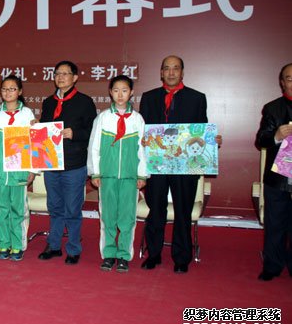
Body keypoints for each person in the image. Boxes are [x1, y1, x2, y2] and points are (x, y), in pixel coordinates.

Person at [139, 55, 220, 274]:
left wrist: (211, 140)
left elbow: (201, 129)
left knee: (183, 211)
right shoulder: (149, 97)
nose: (171, 72)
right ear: (161, 72)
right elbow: (143, 130)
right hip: (157, 165)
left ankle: (182, 257)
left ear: (182, 72)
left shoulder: (197, 98)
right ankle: (153, 254)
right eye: (167, 68)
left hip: (185, 167)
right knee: (156, 210)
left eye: (176, 68)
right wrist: (143, 140)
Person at [38, 61, 97, 265]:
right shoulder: (48, 102)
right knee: (54, 207)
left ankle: (73, 248)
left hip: (74, 164)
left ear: (75, 77)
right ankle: (54, 246)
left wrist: (75, 133)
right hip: (51, 163)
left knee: (72, 209)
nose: (60, 77)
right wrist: (36, 128)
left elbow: (93, 133)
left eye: (65, 73)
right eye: (57, 73)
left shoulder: (85, 102)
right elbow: (45, 130)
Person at [87, 75, 147, 273]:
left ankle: (123, 255)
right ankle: (109, 254)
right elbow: (94, 147)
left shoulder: (137, 119)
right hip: (108, 177)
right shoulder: (103, 118)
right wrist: (96, 172)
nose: (120, 94)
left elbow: (142, 150)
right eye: (116, 90)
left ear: (131, 93)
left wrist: (142, 175)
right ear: (110, 93)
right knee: (108, 217)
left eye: (124, 90)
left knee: (127, 218)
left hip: (130, 178)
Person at [0, 75, 36, 261]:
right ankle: (3, 244)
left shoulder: (27, 114)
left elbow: (35, 144)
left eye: (12, 89)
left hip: (19, 171)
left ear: (20, 92)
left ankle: (18, 245)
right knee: (0, 209)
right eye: (4, 89)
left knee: (18, 210)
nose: (8, 92)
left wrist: (33, 170)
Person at [255, 63, 292, 281]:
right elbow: (261, 140)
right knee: (275, 223)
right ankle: (272, 265)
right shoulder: (272, 108)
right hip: (278, 178)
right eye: (289, 78)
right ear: (282, 82)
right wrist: (277, 136)